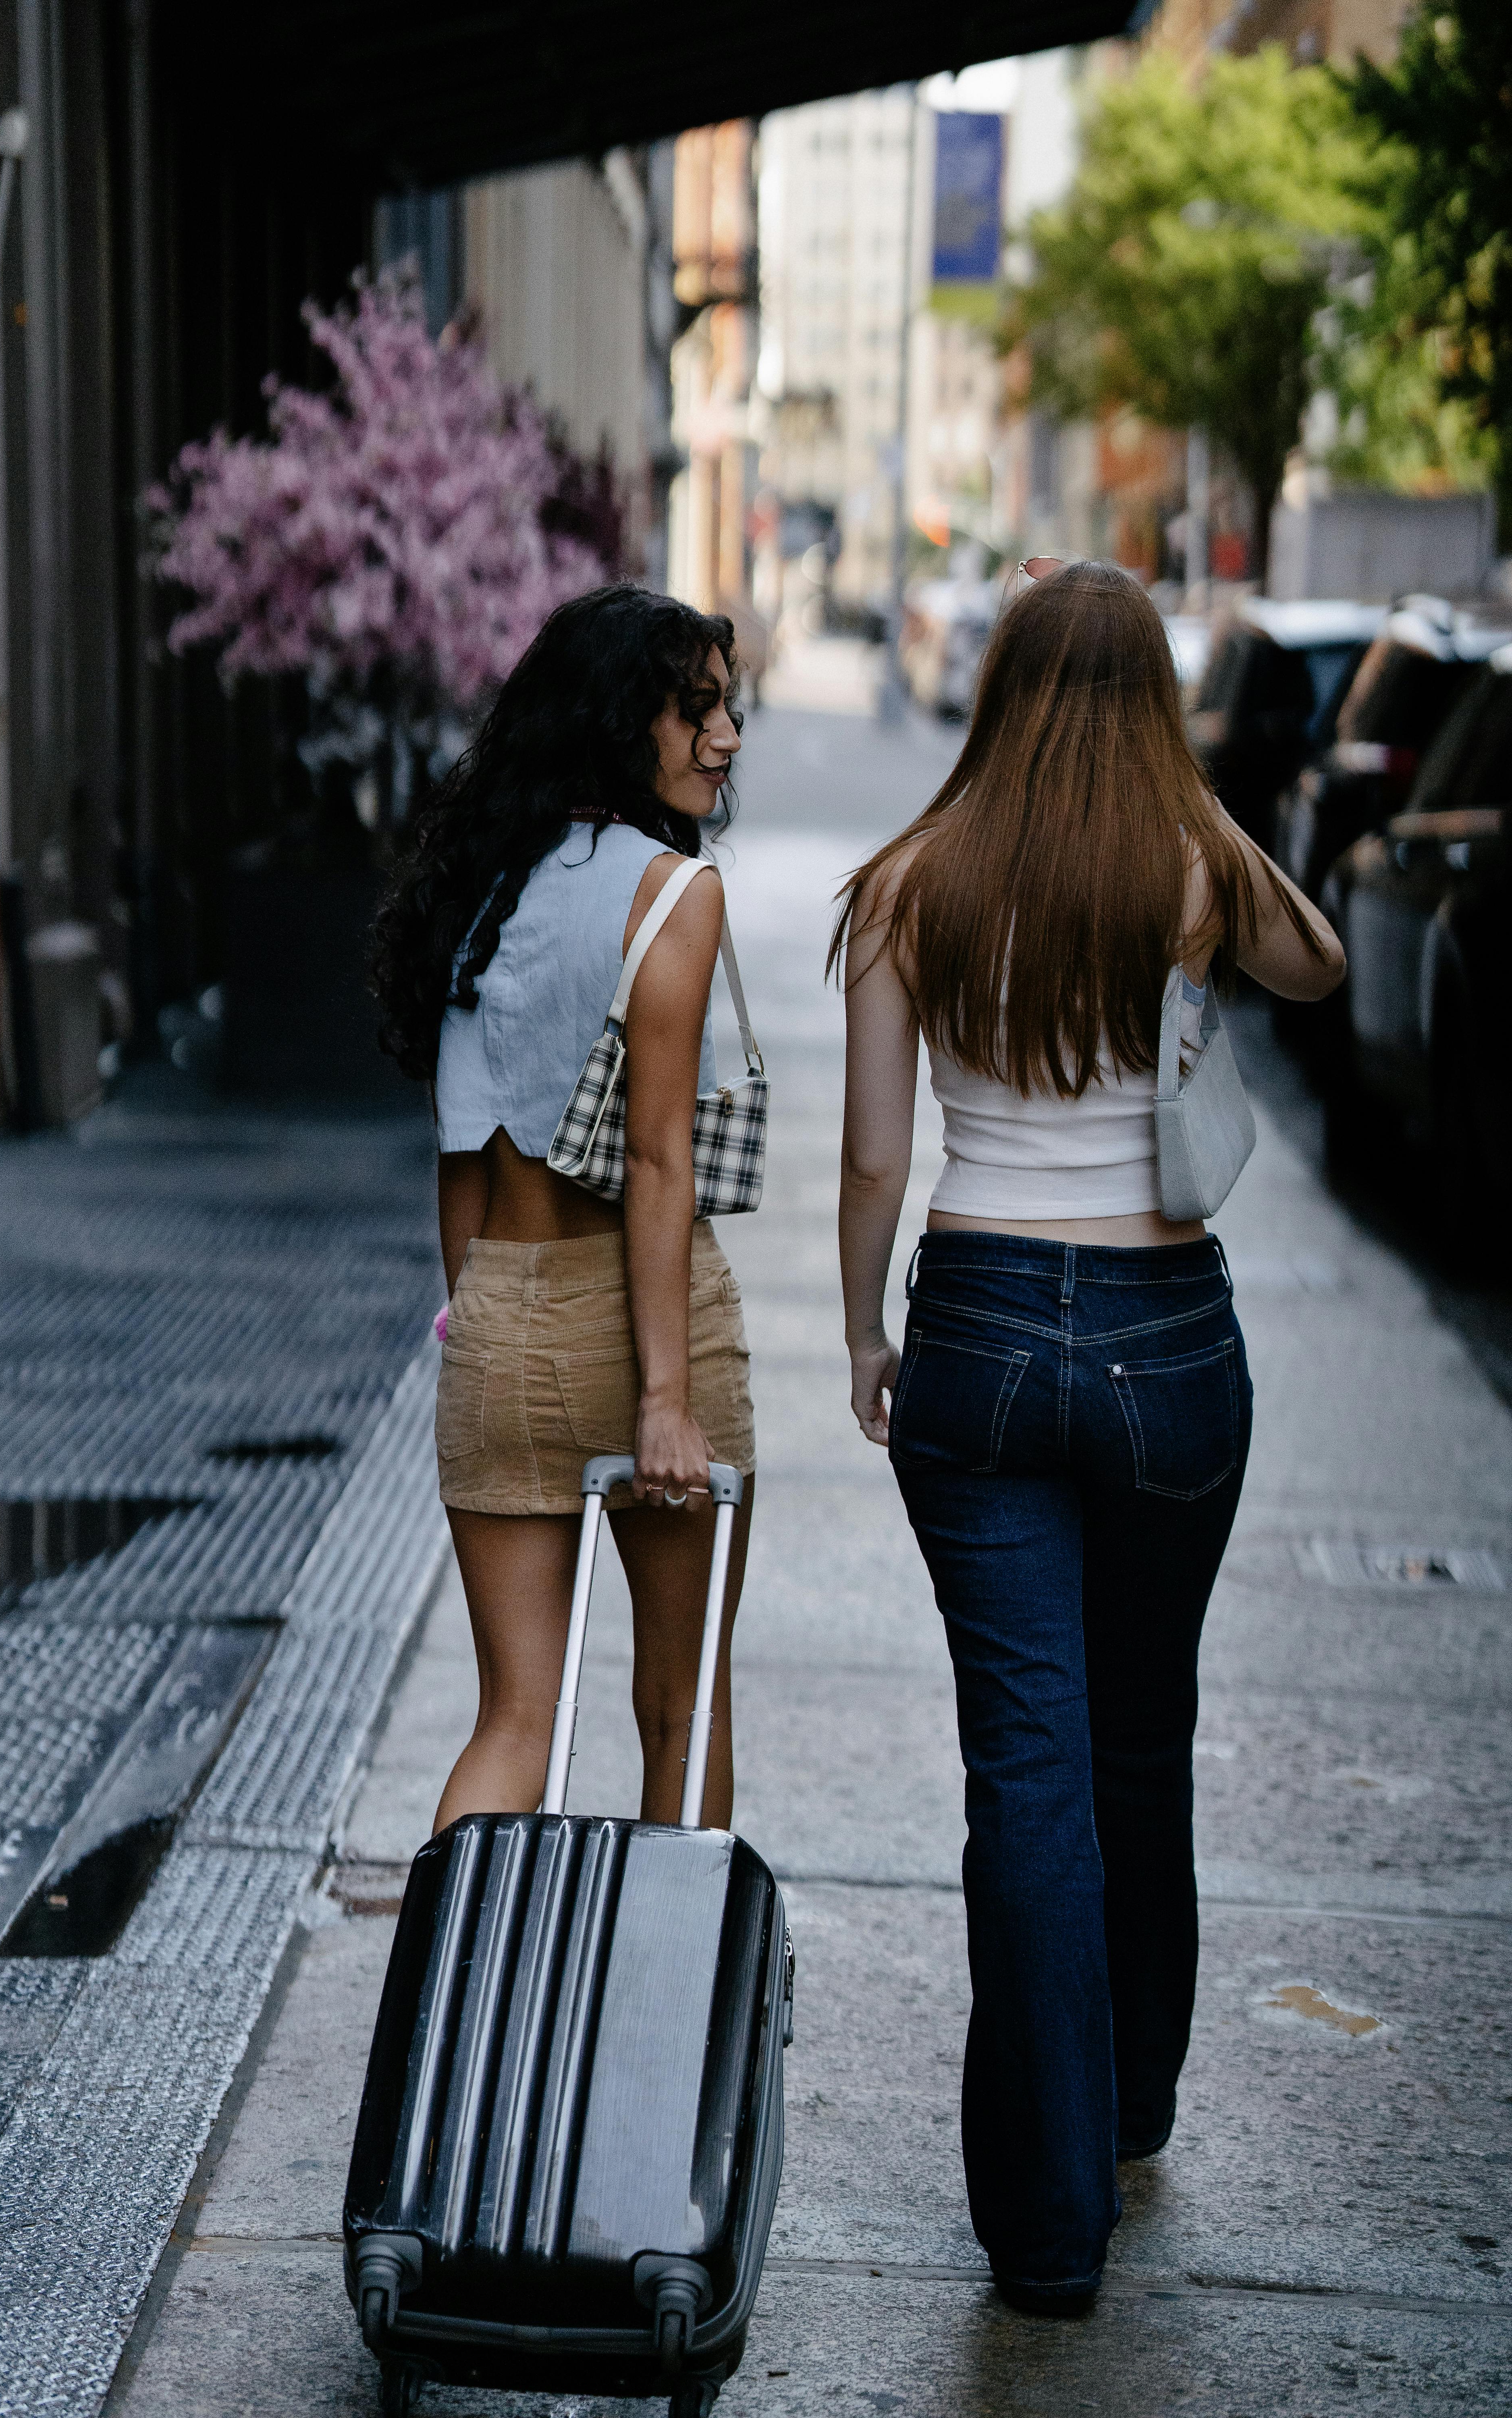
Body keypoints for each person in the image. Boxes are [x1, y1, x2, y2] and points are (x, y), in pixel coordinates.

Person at [833, 559, 1345, 2316]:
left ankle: (1044, 2233)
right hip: (1162, 1344)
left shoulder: (912, 880)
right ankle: (1129, 2109)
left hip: (974, 1335)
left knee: (1026, 1774)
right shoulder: (1191, 868)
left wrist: (862, 1329)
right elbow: (1320, 962)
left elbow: (878, 1161)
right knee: (1141, 1744)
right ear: (1153, 711)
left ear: (992, 689)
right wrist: (1196, 806)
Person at [371, 586, 756, 1834]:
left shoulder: (480, 899)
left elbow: (459, 1161)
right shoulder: (671, 897)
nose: (725, 737)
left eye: (729, 708)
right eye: (692, 710)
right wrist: (664, 1399)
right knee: (680, 1708)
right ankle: (660, 2020)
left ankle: (451, 2011)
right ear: (614, 721)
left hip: (497, 1323)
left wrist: (476, 1327)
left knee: (513, 1723)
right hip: (650, 1328)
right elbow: (656, 1160)